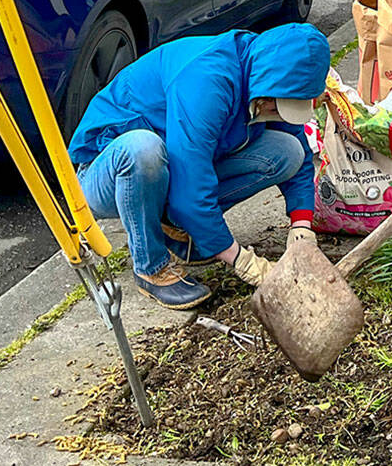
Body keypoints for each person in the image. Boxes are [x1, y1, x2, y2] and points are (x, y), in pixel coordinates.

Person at [69, 23, 330, 309]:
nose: (277, 113)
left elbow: (299, 148)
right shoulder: (208, 82)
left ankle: (179, 230)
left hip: (170, 165)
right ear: (268, 87)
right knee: (143, 149)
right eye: (277, 106)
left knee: (288, 151)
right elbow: (190, 188)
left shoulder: (265, 73)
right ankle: (151, 267)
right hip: (106, 173)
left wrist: (302, 227)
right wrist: (239, 259)